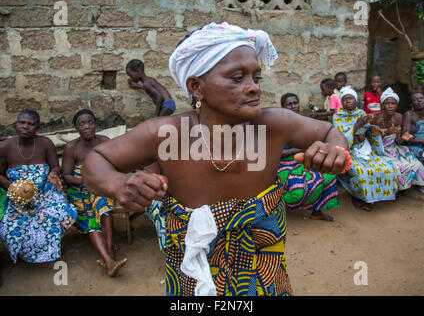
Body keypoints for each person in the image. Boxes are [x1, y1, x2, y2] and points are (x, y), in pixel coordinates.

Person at [82, 22, 349, 296]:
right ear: (197, 87)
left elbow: (330, 132)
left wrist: (336, 151)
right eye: (237, 78)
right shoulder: (165, 133)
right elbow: (95, 161)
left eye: (256, 78)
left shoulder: (274, 124)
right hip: (193, 272)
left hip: (264, 270)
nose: (253, 88)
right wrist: (117, 184)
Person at [0, 110, 77, 263]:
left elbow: (55, 166)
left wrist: (53, 175)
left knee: (61, 213)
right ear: (16, 125)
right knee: (10, 227)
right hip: (18, 199)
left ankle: (52, 246)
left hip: (44, 193)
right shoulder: (5, 146)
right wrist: (13, 187)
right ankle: (25, 254)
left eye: (30, 124)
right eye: (22, 123)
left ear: (37, 127)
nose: (25, 127)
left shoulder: (45, 143)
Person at [61, 109, 127, 277]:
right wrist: (86, 181)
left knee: (104, 207)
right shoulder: (72, 147)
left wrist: (103, 179)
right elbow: (67, 176)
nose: (87, 127)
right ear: (76, 128)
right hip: (80, 189)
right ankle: (109, 259)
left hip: (100, 186)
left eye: (90, 122)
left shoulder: (104, 141)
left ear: (95, 124)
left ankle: (109, 252)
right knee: (90, 217)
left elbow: (116, 164)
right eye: (82, 124)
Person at [332, 86, 398, 211]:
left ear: (356, 100)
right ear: (342, 102)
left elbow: (368, 130)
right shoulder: (337, 117)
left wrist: (373, 130)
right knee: (360, 172)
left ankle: (372, 197)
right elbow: (340, 138)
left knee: (387, 168)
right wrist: (357, 126)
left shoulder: (362, 114)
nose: (348, 101)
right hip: (349, 151)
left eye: (350, 98)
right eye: (345, 99)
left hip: (364, 149)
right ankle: (357, 196)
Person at [279, 93, 338, 220]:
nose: (293, 106)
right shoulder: (278, 126)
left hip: (303, 160)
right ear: (283, 107)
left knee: (329, 176)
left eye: (295, 103)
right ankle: (273, 208)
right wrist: (304, 147)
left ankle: (317, 212)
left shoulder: (304, 122)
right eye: (289, 104)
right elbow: (281, 154)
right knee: (298, 190)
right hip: (283, 165)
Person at [357, 88, 424, 192]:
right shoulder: (374, 117)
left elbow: (398, 141)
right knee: (395, 168)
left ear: (396, 105)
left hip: (393, 148)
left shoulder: (398, 117)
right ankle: (395, 190)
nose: (390, 106)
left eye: (393, 103)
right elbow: (369, 138)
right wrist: (387, 132)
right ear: (382, 105)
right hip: (378, 149)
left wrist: (402, 137)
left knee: (415, 164)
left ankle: (413, 186)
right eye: (387, 103)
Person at [401, 92, 424, 163]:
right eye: (415, 100)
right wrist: (422, 141)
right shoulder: (409, 115)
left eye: (421, 98)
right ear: (411, 104)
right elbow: (406, 137)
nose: (419, 100)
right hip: (415, 145)